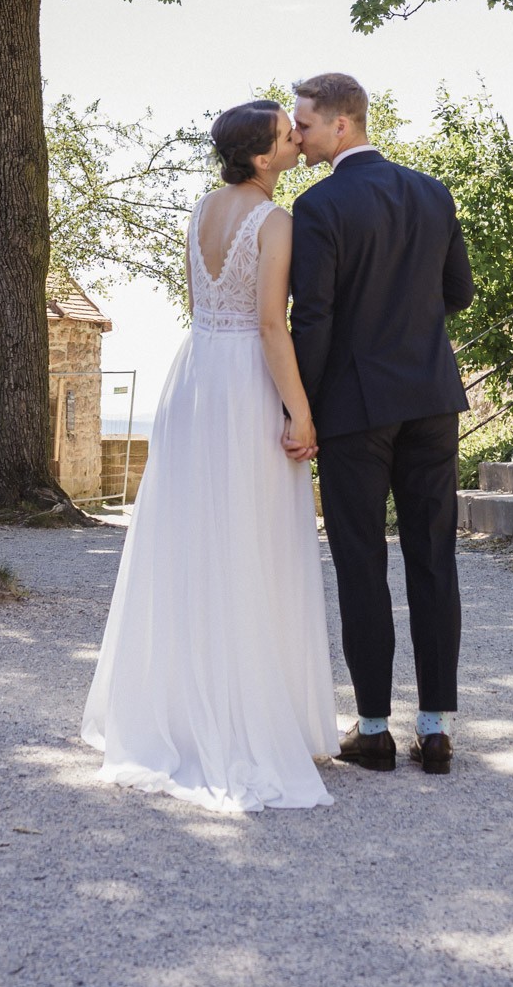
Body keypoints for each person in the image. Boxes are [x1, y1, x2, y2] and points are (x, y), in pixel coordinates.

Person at [81, 100, 339, 812]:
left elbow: (205, 303)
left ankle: (180, 712)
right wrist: (300, 410)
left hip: (194, 376)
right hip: (244, 383)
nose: (297, 139)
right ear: (261, 157)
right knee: (253, 538)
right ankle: (250, 717)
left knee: (192, 540)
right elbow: (268, 325)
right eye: (287, 135)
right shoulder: (277, 221)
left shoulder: (199, 211)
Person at [289, 73, 474, 776]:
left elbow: (314, 316)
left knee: (362, 563)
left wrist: (298, 405)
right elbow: (457, 292)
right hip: (432, 399)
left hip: (354, 410)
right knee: (434, 561)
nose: (297, 137)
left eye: (304, 124)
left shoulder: (319, 205)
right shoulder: (432, 192)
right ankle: (436, 729)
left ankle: (372, 730)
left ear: (343, 124)